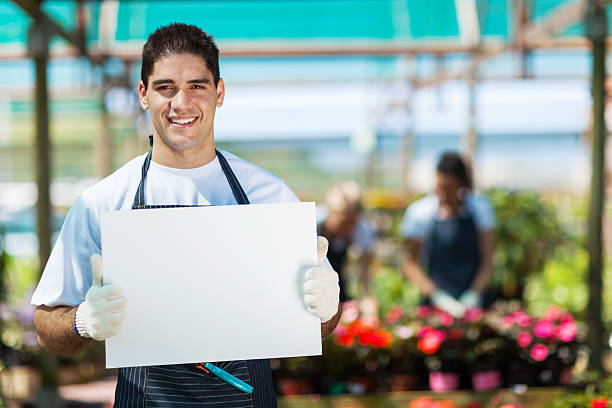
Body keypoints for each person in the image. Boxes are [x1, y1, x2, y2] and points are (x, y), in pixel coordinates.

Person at [30, 23, 340, 408]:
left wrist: (327, 307)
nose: (181, 103)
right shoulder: (104, 202)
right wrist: (83, 320)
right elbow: (46, 327)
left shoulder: (270, 197)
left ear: (219, 93)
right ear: (143, 94)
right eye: (165, 87)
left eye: (197, 86)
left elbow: (320, 327)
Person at [400, 152, 495, 317]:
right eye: (439, 187)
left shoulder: (480, 209)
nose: (442, 194)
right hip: (435, 304)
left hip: (474, 304)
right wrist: (438, 297)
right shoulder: (420, 213)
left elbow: (487, 260)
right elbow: (410, 264)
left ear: (462, 184)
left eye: (448, 188)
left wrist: (474, 294)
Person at [317, 181, 376, 303]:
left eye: (352, 223)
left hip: (337, 283)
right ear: (331, 212)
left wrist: (367, 296)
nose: (347, 229)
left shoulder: (361, 227)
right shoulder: (312, 224)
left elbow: (365, 266)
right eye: (343, 223)